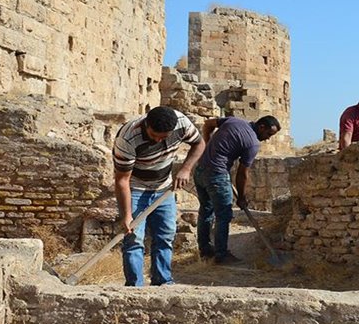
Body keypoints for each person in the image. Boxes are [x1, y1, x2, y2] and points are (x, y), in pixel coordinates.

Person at [113, 106, 205, 286]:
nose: (157, 140)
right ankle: (135, 287)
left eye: (163, 137)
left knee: (165, 235)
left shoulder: (181, 123)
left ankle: (163, 282)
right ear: (146, 124)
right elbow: (122, 181)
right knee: (134, 239)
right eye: (154, 135)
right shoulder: (127, 138)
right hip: (135, 189)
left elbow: (199, 143)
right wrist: (126, 215)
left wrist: (185, 169)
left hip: (164, 188)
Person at [194, 115, 281, 264]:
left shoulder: (233, 120)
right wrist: (241, 197)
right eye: (268, 134)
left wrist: (207, 144)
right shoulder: (253, 143)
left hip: (200, 171)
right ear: (261, 127)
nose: (268, 139)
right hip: (217, 176)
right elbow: (242, 174)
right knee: (223, 215)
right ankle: (221, 255)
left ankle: (205, 251)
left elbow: (207, 124)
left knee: (206, 211)